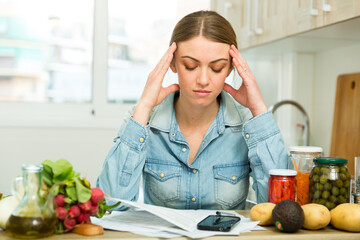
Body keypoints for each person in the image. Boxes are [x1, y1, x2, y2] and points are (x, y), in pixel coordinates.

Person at [97, 10, 287, 210]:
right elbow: (109, 206)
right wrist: (144, 106)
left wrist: (259, 110)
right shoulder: (144, 121)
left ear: (231, 68)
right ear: (172, 63)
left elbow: (282, 209)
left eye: (217, 68)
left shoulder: (248, 125)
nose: (203, 80)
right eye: (190, 66)